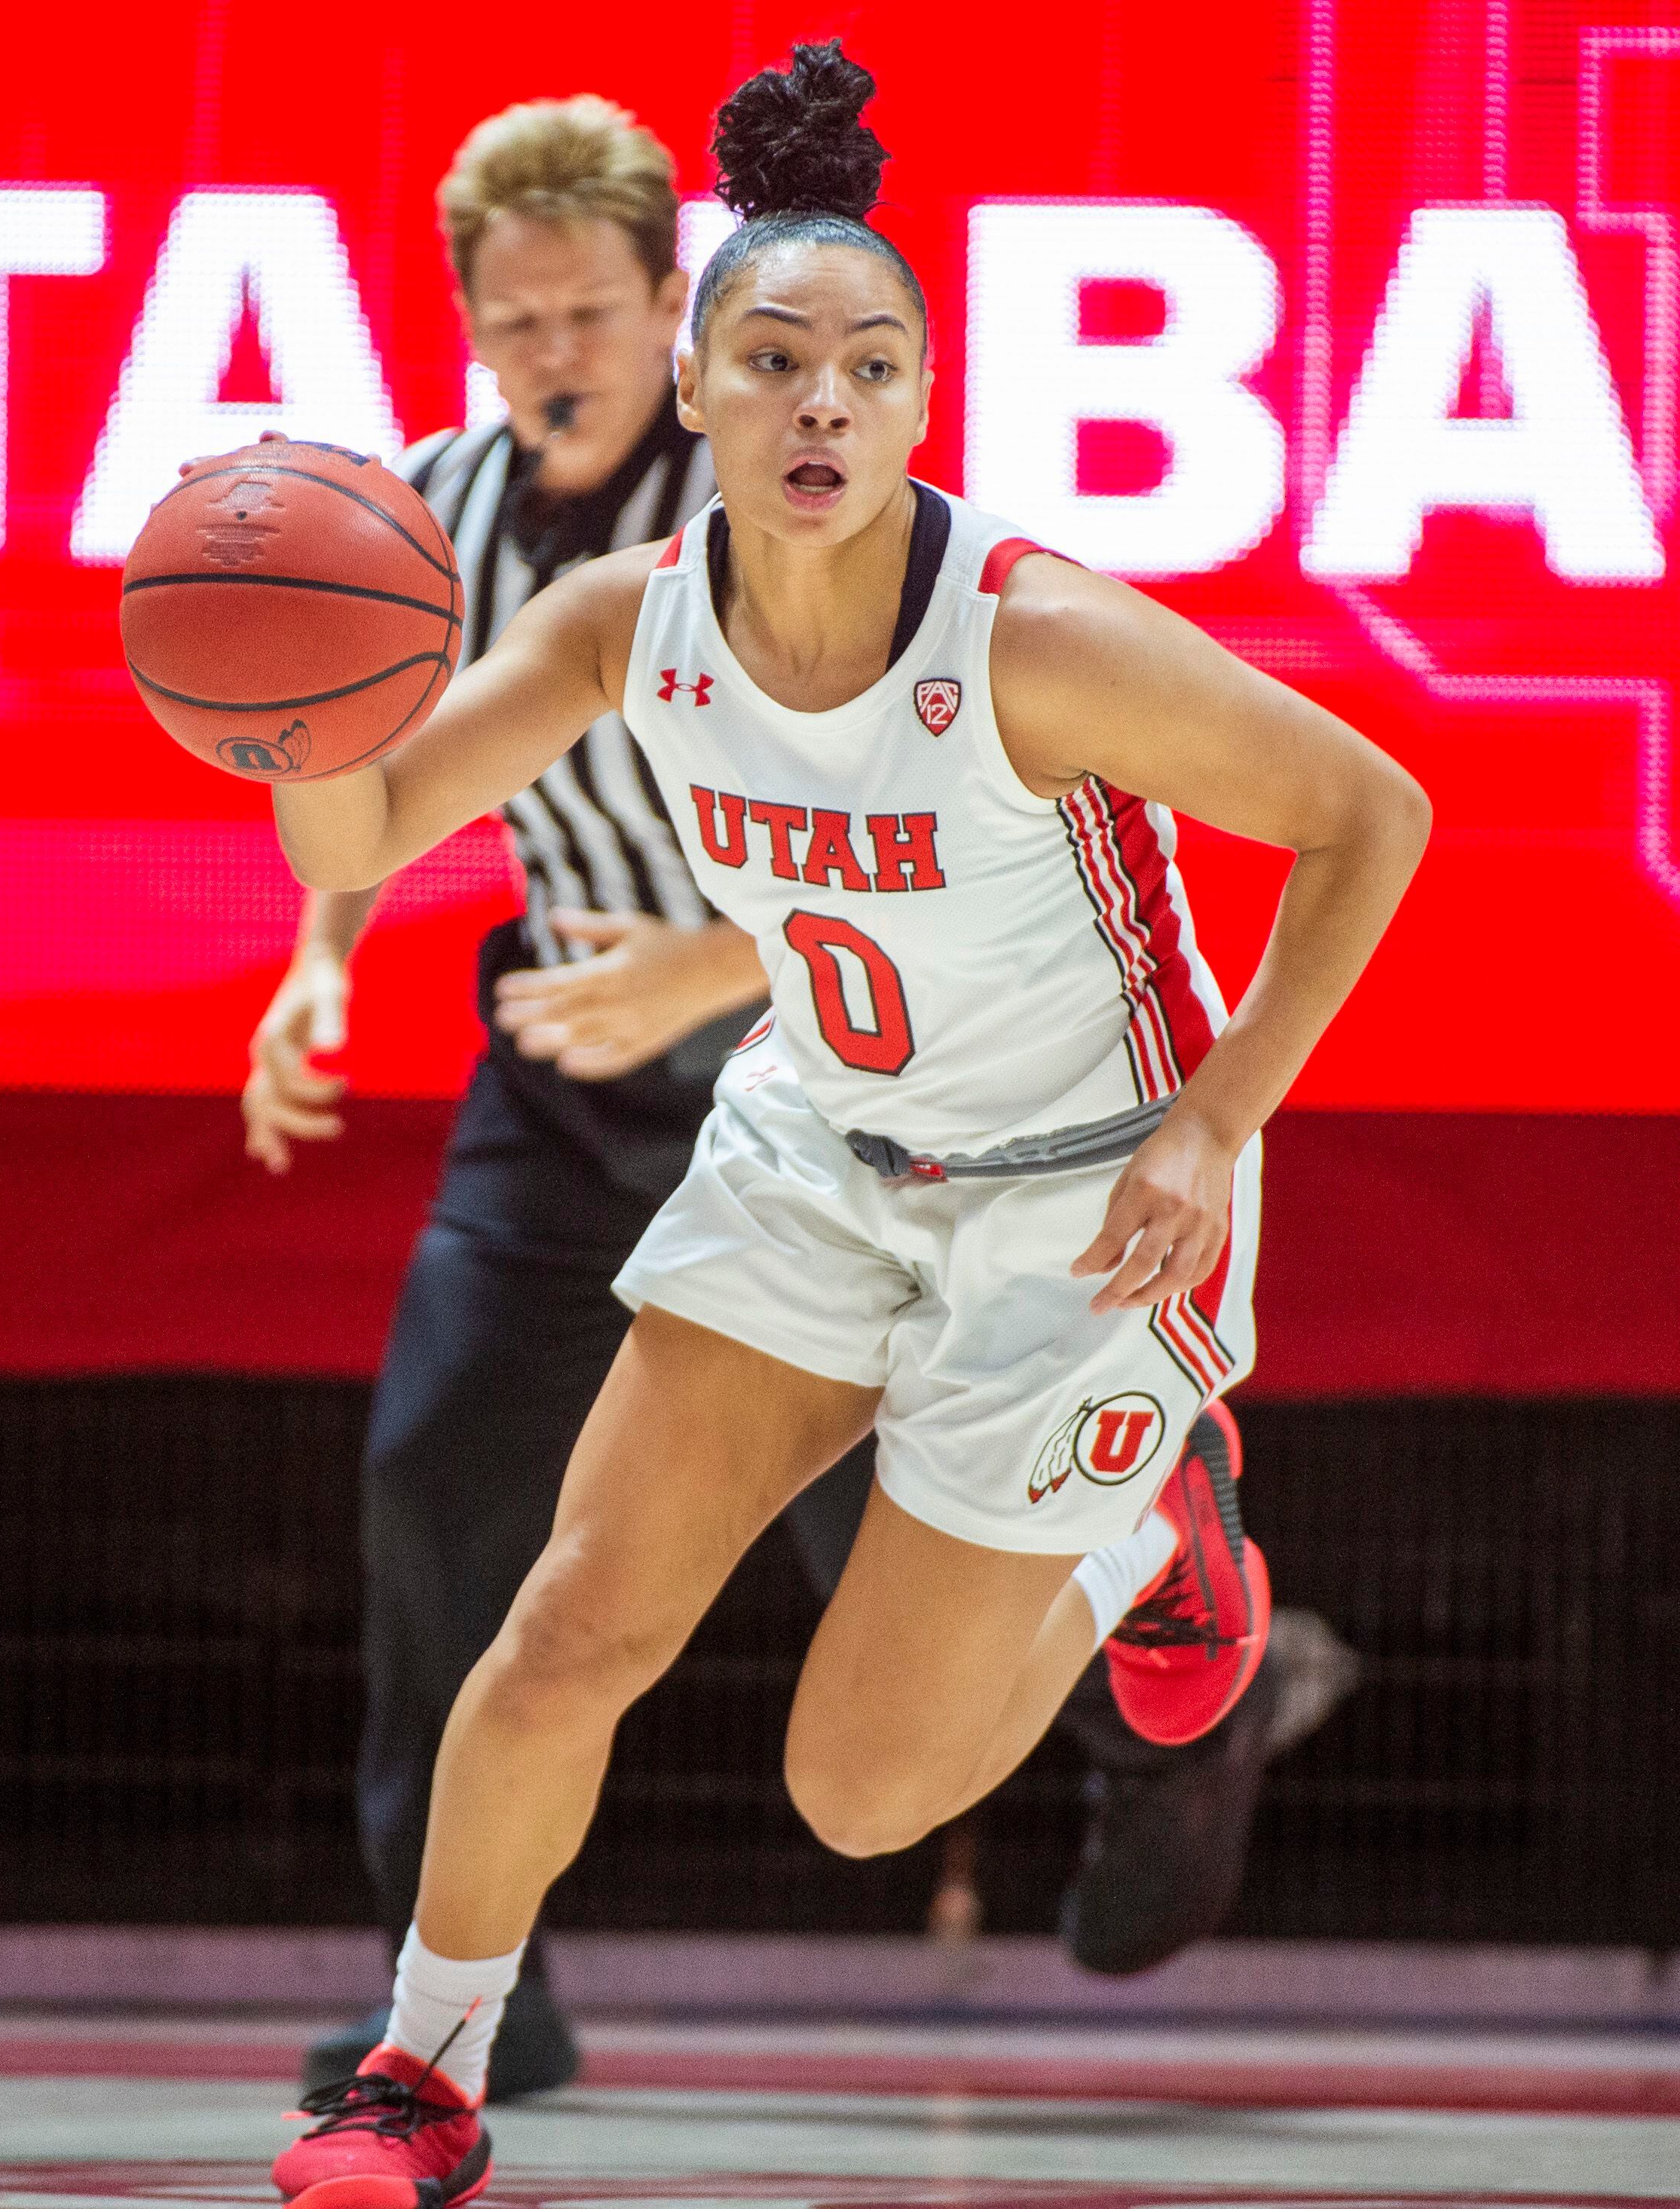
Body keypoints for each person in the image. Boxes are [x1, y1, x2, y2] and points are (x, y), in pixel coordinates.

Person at [261, 51, 1431, 2187]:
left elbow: (1374, 809)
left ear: (917, 409)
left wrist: (1219, 1121)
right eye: (778, 359)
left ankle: (1164, 1529)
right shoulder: (627, 618)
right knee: (566, 1621)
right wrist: (285, 707)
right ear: (701, 388)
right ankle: (420, 2077)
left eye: (869, 369)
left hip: (1089, 1203)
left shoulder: (1040, 639)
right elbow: (387, 809)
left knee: (859, 1794)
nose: (822, 402)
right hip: (820, 1146)